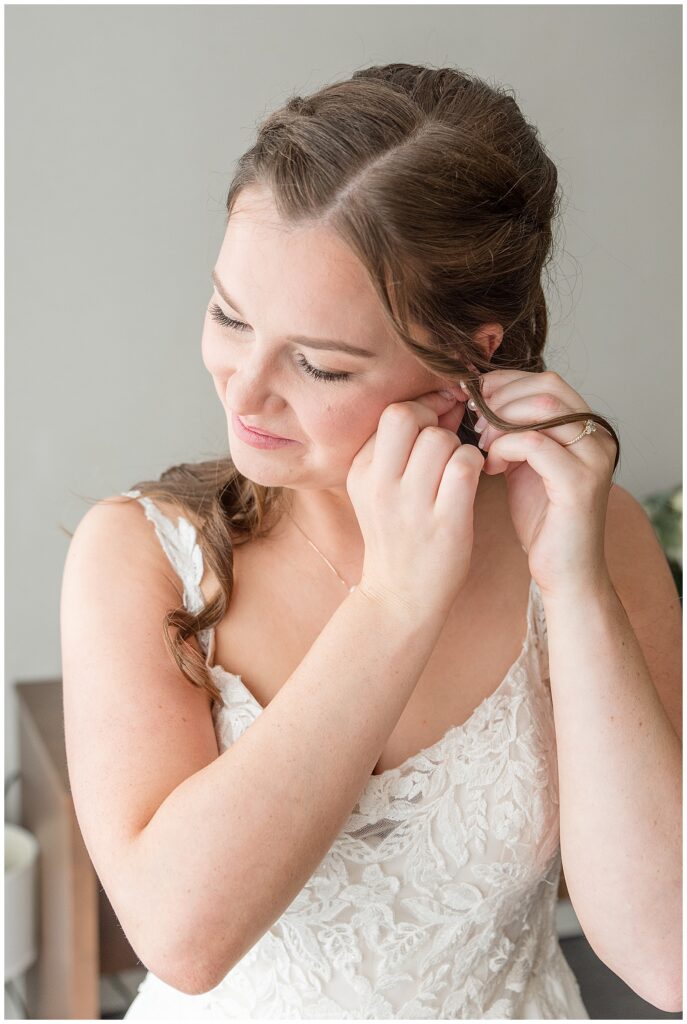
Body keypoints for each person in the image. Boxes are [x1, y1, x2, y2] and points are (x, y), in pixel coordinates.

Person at [60, 63, 681, 1019]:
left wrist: (574, 582)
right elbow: (182, 938)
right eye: (230, 314)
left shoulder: (590, 543)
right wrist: (393, 603)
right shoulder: (135, 558)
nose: (245, 389)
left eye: (316, 362)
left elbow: (667, 954)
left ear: (470, 354)